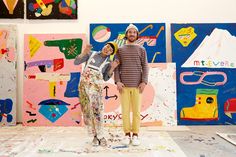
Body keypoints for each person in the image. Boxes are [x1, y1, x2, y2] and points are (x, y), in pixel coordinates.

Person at [74, 42, 119, 146]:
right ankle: (94, 136)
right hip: (83, 87)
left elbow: (105, 78)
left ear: (111, 53)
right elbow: (76, 62)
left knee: (97, 112)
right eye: (107, 46)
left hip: (96, 89)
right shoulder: (91, 54)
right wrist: (84, 52)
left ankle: (101, 135)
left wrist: (112, 68)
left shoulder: (108, 62)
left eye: (110, 50)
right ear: (104, 46)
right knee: (87, 111)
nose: (107, 49)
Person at [114, 24, 149, 146]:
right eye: (130, 32)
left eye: (134, 32)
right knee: (125, 111)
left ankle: (135, 134)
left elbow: (145, 66)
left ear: (137, 35)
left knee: (136, 111)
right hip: (123, 86)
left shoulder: (141, 50)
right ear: (126, 34)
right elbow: (116, 67)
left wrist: (144, 81)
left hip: (137, 86)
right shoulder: (120, 50)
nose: (132, 34)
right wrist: (117, 81)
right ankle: (126, 134)